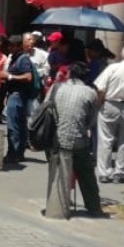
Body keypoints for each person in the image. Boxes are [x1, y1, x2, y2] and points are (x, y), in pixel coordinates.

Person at [44, 62, 104, 219]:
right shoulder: (90, 93)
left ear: (69, 74)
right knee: (86, 173)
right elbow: (92, 120)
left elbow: (46, 109)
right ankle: (94, 208)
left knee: (56, 173)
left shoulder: (56, 88)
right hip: (79, 140)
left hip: (57, 139)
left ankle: (54, 205)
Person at [93, 44, 124, 184]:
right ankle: (120, 173)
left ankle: (104, 172)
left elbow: (100, 88)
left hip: (110, 103)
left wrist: (100, 103)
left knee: (105, 139)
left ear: (121, 55)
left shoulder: (112, 68)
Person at [2, 33, 35, 164]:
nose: (8, 48)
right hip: (15, 95)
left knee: (13, 125)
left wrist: (9, 76)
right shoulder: (15, 58)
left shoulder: (23, 59)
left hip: (18, 95)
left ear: (17, 46)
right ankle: (18, 152)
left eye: (10, 45)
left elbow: (28, 77)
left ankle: (13, 153)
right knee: (20, 125)